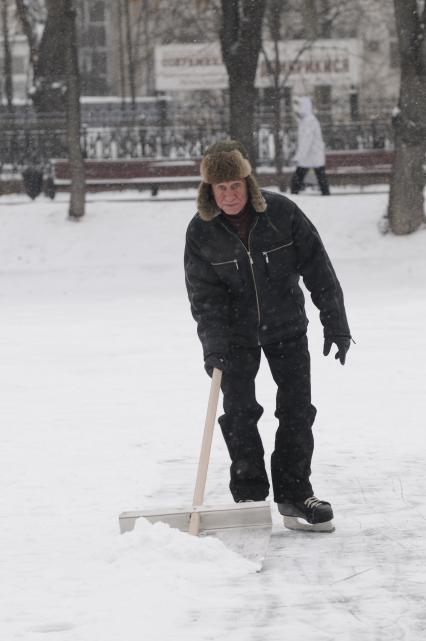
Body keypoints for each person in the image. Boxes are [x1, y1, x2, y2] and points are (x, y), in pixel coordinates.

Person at [184, 140, 351, 532]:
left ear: (248, 183)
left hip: (286, 327)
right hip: (235, 338)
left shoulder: (281, 214)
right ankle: (249, 497)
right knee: (240, 415)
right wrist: (214, 348)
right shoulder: (202, 232)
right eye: (220, 188)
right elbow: (204, 298)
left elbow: (318, 269)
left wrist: (335, 321)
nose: (229, 195)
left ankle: (294, 493)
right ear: (209, 191)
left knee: (296, 410)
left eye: (235, 186)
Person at [290, 96, 330, 196]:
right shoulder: (307, 120)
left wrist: (299, 157)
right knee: (320, 177)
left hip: (311, 155)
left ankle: (294, 196)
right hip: (312, 156)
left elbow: (306, 141)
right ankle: (326, 194)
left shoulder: (309, 121)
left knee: (298, 179)